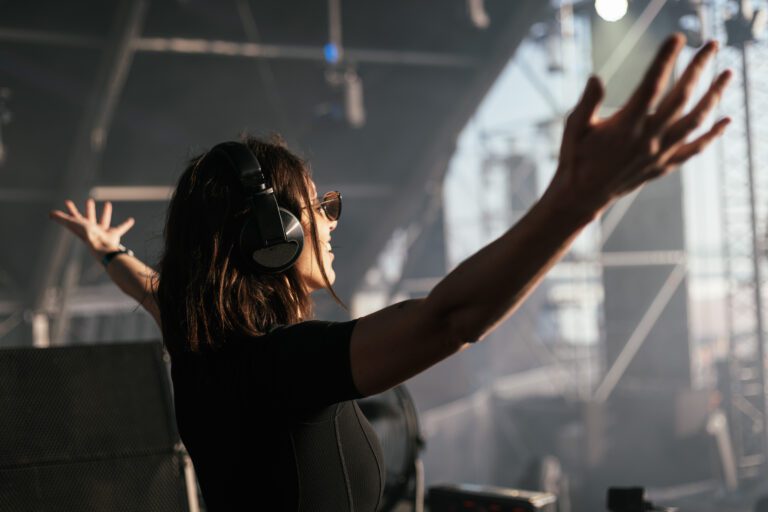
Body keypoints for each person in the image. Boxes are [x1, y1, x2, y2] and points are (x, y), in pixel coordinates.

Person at [50, 34, 731, 511]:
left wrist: (110, 253)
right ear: (273, 238)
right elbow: (451, 318)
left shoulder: (198, 343)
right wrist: (578, 200)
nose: (331, 223)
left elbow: (154, 288)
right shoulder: (282, 367)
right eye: (318, 208)